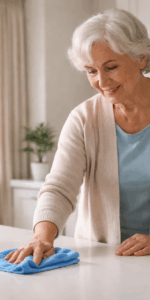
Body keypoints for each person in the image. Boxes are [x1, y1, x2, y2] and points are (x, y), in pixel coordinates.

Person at [4, 8, 150, 265]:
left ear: (141, 57)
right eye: (91, 71)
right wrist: (43, 236)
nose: (102, 81)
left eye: (111, 67)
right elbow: (59, 187)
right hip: (106, 259)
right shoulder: (84, 118)